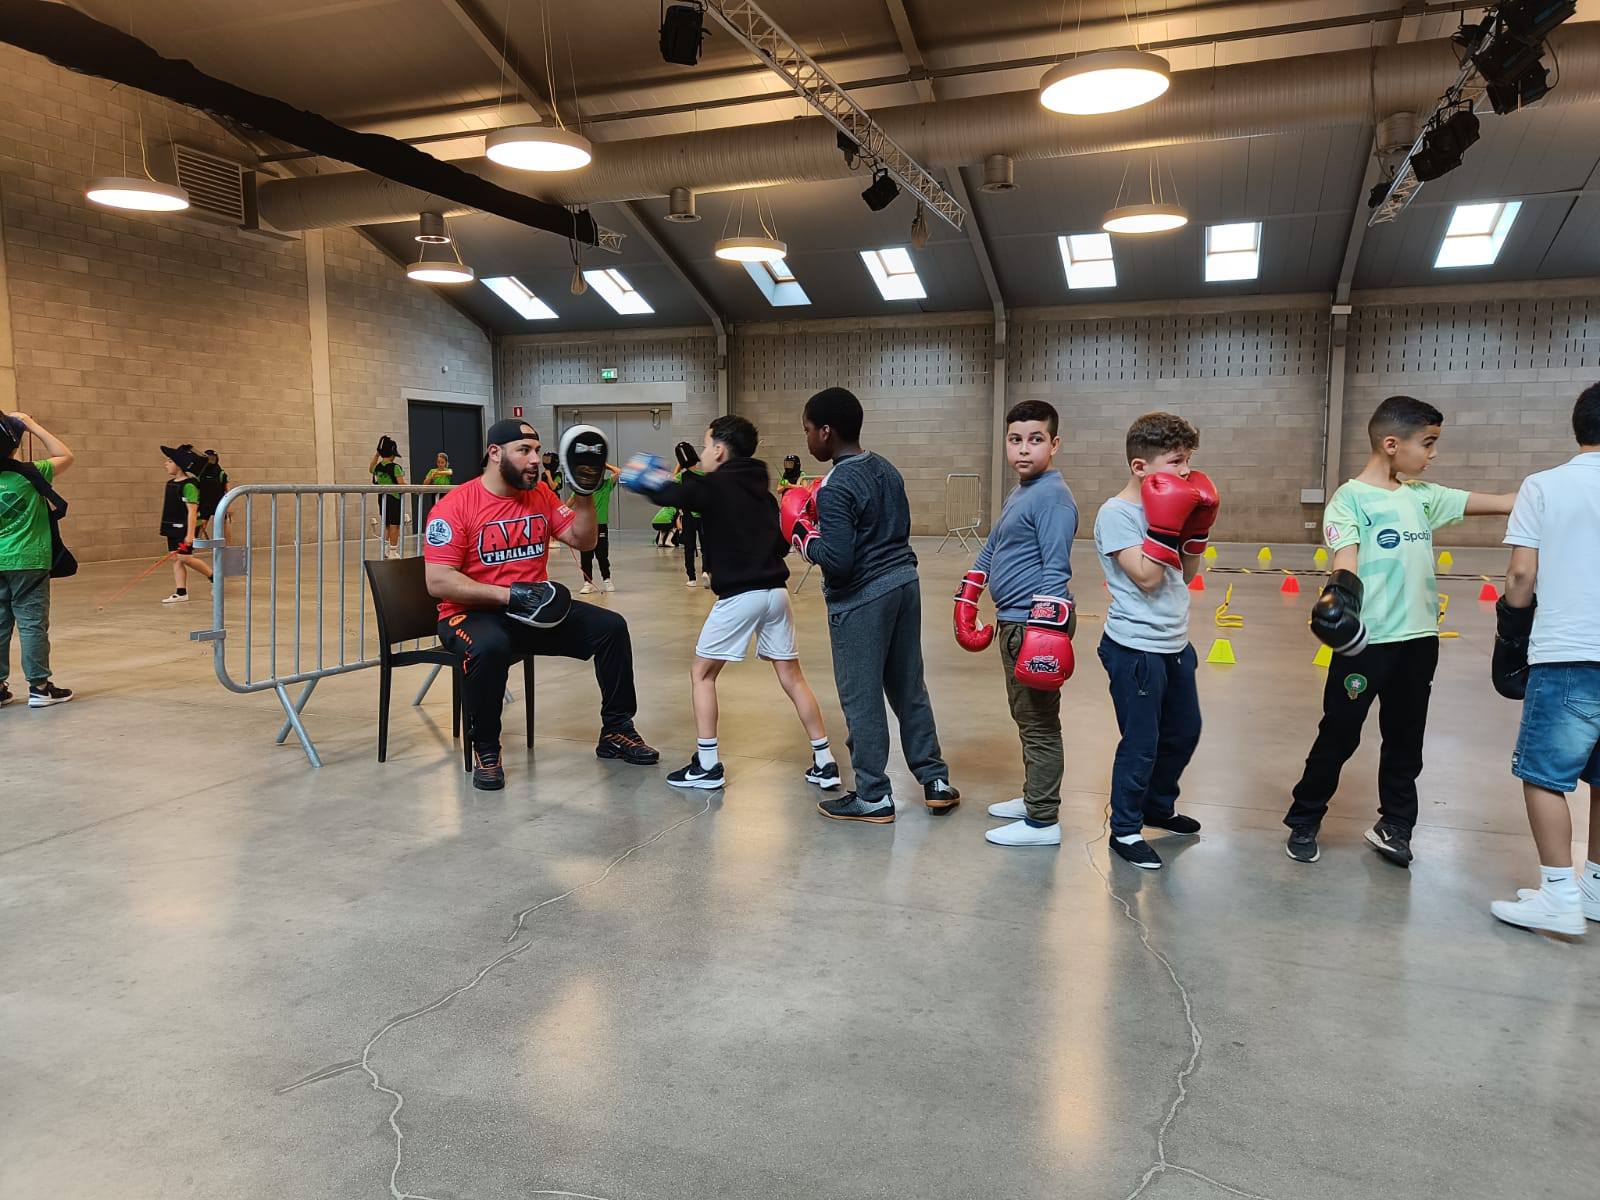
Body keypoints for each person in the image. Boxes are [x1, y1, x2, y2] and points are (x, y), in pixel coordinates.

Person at [1286, 395, 1517, 867]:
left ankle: (1396, 825)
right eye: (1427, 443)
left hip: (1419, 642)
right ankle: (1305, 817)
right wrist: (1339, 599)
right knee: (1339, 734)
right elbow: (1345, 556)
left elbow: (1504, 503)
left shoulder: (1422, 497)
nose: (1433, 454)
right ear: (1391, 444)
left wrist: (1561, 487)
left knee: (1406, 738)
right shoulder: (1349, 498)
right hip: (1366, 643)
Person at [424, 418, 658, 790]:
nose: (535, 459)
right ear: (495, 453)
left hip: (531, 612)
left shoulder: (540, 495)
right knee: (489, 647)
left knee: (610, 628)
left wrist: (583, 492)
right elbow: (438, 581)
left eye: (537, 450)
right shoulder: (456, 506)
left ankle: (617, 729)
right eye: (524, 450)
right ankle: (486, 747)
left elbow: (583, 541)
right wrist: (508, 595)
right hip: (470, 614)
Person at [621, 415, 839, 792]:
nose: (704, 453)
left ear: (720, 450)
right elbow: (780, 546)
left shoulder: (715, 486)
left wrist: (645, 479)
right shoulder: (765, 496)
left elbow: (675, 495)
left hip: (740, 597)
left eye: (707, 446)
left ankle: (707, 765)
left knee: (702, 674)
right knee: (792, 677)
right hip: (776, 595)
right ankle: (825, 761)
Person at [786, 386, 960, 823]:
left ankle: (873, 794)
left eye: (807, 430)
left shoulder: (835, 485)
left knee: (861, 696)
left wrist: (802, 537)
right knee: (908, 686)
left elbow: (839, 560)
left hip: (862, 597)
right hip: (905, 584)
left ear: (826, 432)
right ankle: (935, 780)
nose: (807, 439)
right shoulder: (886, 468)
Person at [1488, 384, 1600, 936]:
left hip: (1568, 651)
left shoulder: (1544, 486)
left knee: (1543, 775)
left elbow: (1521, 574)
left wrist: (1511, 633)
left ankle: (1558, 894)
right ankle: (1596, 887)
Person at [955, 400, 1080, 848]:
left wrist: (1044, 632)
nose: (1024, 449)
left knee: (1040, 724)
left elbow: (1056, 568)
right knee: (1026, 716)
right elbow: (994, 544)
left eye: (1035, 439)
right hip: (1014, 623)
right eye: (1015, 440)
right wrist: (970, 591)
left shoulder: (1053, 498)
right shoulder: (1023, 490)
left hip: (1032, 627)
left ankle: (1043, 821)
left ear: (1054, 444)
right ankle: (1034, 798)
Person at [1093, 413, 1215, 869]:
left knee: (1184, 732)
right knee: (1141, 742)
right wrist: (1165, 526)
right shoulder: (1117, 514)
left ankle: (1158, 807)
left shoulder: (1175, 503)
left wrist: (1196, 530)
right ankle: (1125, 830)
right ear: (1140, 466)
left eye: (1189, 460)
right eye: (1176, 461)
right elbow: (1146, 577)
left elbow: (1187, 572)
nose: (1187, 471)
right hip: (1135, 646)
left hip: (1175, 642)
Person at [0, 411, 74, 708]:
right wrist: (31, 425)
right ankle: (39, 688)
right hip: (29, 560)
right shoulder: (32, 472)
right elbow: (65, 455)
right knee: (32, 624)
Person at [160, 444, 214, 604]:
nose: (166, 464)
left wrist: (190, 535)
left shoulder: (189, 485)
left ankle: (214, 578)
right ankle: (181, 592)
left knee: (186, 558)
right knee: (176, 558)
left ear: (179, 465)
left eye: (170, 461)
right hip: (172, 527)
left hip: (186, 528)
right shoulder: (171, 483)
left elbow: (192, 511)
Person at [571, 461, 622, 595]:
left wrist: (605, 464)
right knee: (586, 556)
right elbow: (569, 503)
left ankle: (607, 579)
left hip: (601, 526)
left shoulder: (606, 485)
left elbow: (619, 472)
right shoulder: (582, 489)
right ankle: (588, 583)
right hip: (585, 525)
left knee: (602, 555)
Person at [674, 441, 709, 588]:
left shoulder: (681, 477)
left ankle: (692, 578)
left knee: (689, 547)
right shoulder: (704, 476)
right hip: (704, 516)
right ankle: (706, 571)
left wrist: (679, 465)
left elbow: (671, 480)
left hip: (688, 516)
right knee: (706, 546)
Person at [369, 436, 406, 559]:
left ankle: (385, 550)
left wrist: (377, 455)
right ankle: (393, 551)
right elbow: (401, 484)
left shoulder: (378, 467)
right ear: (393, 453)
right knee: (395, 525)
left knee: (386, 525)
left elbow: (370, 469)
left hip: (382, 498)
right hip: (394, 499)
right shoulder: (395, 467)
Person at [194, 448, 228, 539]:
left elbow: (228, 491)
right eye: (209, 458)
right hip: (204, 504)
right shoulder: (200, 473)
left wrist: (229, 506)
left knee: (223, 527)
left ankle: (227, 546)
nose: (211, 460)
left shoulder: (221, 473)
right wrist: (195, 505)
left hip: (219, 504)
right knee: (199, 527)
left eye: (213, 458)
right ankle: (194, 546)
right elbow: (196, 490)